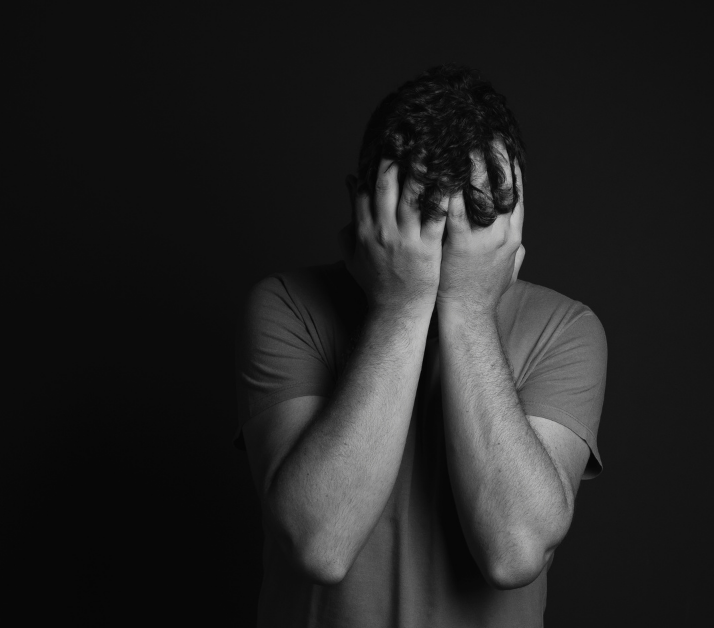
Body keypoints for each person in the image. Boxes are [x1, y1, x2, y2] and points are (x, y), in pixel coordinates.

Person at [235, 64, 608, 628]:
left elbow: (514, 551)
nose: (441, 246)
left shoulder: (567, 328)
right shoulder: (286, 306)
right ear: (363, 209)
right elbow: (318, 543)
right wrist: (401, 306)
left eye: (470, 222)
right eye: (423, 217)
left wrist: (468, 309)